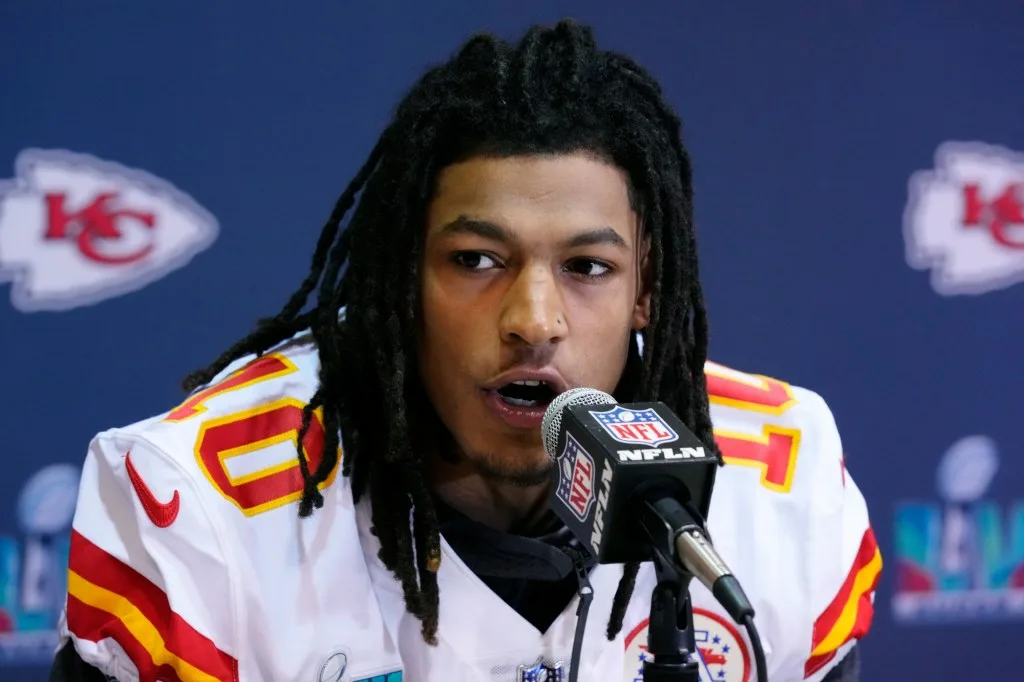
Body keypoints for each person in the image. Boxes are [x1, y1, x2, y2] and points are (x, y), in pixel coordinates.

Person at [50, 19, 880, 682]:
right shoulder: (198, 509)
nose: (533, 319)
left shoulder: (783, 484)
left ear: (647, 289)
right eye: (477, 260)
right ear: (403, 278)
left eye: (587, 267)